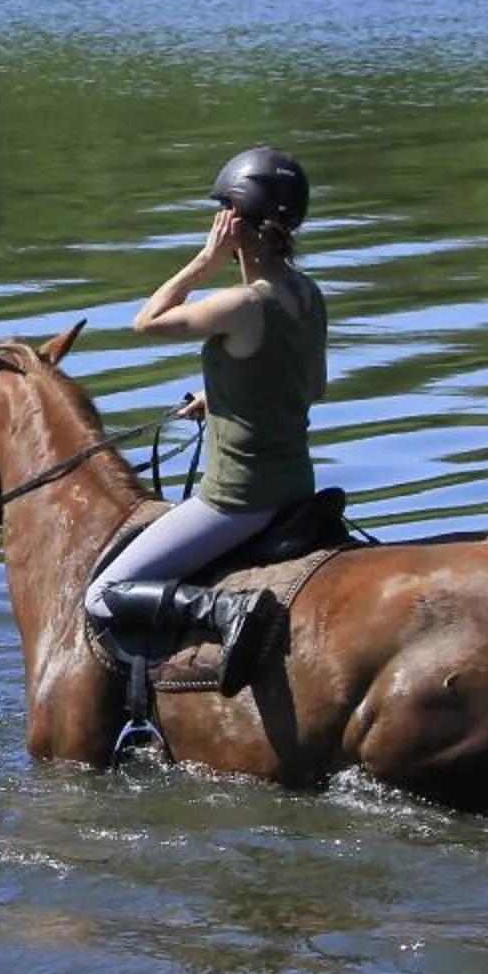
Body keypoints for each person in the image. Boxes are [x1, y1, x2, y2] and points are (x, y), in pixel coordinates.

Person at [83, 145, 326, 694]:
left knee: (104, 591)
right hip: (296, 487)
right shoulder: (308, 295)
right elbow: (309, 387)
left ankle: (226, 611)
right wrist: (222, 395)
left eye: (220, 215)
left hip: (238, 499)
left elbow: (146, 321)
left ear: (234, 221)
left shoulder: (240, 304)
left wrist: (205, 260)